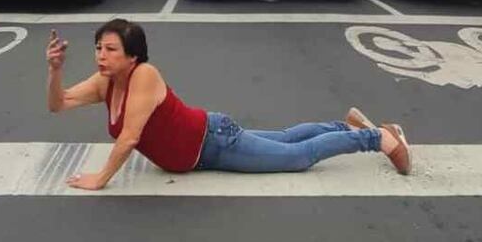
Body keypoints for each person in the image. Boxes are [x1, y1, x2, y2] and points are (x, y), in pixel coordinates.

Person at [46, 19, 411, 191]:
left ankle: (377, 138)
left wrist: (100, 180)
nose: (101, 56)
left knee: (297, 158)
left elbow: (128, 137)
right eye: (98, 48)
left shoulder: (144, 75)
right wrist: (55, 70)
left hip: (213, 143)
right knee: (286, 139)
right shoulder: (105, 84)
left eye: (110, 49)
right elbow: (58, 105)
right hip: (207, 142)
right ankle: (346, 127)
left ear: (133, 56)